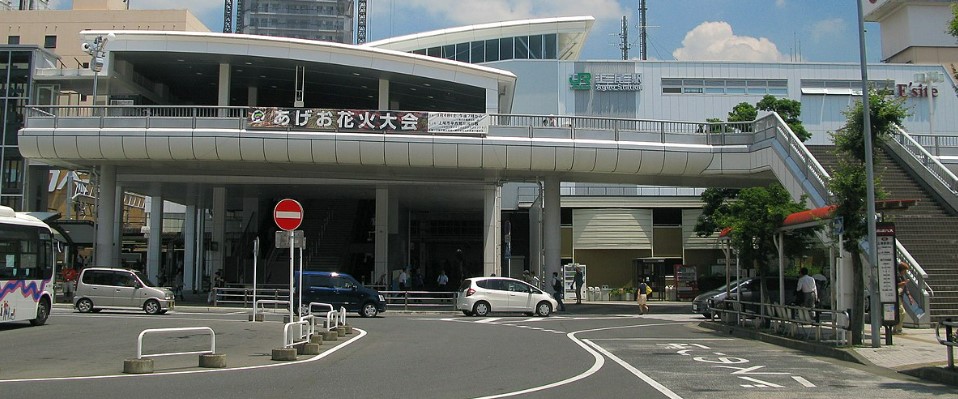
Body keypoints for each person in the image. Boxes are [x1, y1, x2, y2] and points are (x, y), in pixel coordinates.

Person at [896, 262, 910, 334]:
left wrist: (909, 297)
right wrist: (904, 283)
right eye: (905, 270)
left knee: (899, 312)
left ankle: (897, 328)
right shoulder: (897, 275)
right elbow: (895, 284)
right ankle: (898, 328)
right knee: (902, 312)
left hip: (900, 296)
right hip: (896, 295)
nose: (906, 272)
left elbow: (905, 288)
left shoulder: (902, 276)